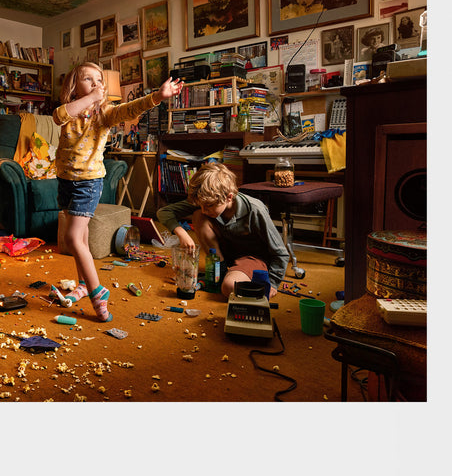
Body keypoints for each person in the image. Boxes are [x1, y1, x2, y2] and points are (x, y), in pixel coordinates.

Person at [53, 62, 184, 322]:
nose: (94, 83)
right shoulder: (69, 112)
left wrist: (158, 96)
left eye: (98, 80)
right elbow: (59, 116)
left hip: (88, 183)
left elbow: (131, 108)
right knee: (83, 234)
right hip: (65, 180)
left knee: (72, 238)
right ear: (73, 86)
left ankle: (96, 292)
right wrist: (89, 98)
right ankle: (81, 283)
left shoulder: (106, 113)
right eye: (87, 79)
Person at [156, 161, 289, 298]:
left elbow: (280, 253)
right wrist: (181, 233)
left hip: (251, 258)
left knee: (229, 287)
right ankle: (220, 269)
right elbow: (164, 212)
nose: (204, 209)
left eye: (208, 206)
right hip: (226, 252)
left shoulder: (255, 209)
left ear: (229, 197)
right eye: (201, 205)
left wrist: (272, 283)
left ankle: (229, 276)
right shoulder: (206, 200)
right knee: (198, 215)